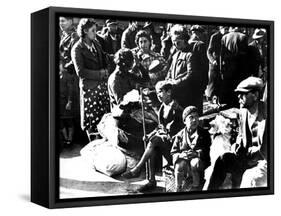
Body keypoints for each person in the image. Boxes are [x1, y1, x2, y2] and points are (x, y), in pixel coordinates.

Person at [206, 77, 267, 190]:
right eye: (238, 94)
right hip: (246, 159)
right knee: (223, 159)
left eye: (243, 94)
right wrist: (237, 144)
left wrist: (257, 151)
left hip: (264, 162)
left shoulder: (269, 113)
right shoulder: (243, 113)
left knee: (250, 178)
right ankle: (207, 194)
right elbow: (241, 135)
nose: (239, 97)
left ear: (255, 95)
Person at [122, 81, 184, 192]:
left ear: (169, 92)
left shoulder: (176, 108)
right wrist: (150, 134)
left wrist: (162, 135)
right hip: (165, 141)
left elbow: (180, 130)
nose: (158, 95)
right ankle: (151, 181)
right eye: (157, 92)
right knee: (152, 144)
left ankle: (137, 169)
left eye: (161, 92)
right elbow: (160, 127)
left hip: (176, 145)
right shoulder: (162, 108)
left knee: (154, 141)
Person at [71, 18, 110, 141]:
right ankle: (93, 147)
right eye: (93, 30)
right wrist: (100, 74)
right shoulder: (77, 49)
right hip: (90, 91)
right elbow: (81, 72)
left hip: (101, 90)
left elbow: (104, 58)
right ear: (85, 31)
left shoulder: (96, 44)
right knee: (91, 123)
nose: (96, 33)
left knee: (103, 120)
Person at [165, 24, 205, 115]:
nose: (175, 44)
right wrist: (167, 81)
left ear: (184, 40)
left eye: (178, 42)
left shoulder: (190, 55)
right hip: (177, 94)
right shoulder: (175, 55)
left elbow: (191, 75)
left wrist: (175, 82)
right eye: (173, 42)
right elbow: (170, 71)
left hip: (188, 94)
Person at [171, 106, 211, 191]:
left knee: (195, 162)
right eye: (191, 117)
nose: (194, 120)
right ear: (185, 121)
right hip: (185, 164)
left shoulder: (204, 134)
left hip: (198, 164)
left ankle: (196, 186)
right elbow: (173, 152)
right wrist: (181, 155)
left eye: (196, 117)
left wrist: (197, 154)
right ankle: (178, 187)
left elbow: (208, 150)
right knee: (179, 164)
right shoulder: (179, 135)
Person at [59, 17, 79, 146]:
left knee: (71, 108)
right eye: (60, 21)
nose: (61, 24)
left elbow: (74, 58)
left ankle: (74, 138)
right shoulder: (63, 36)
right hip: (63, 74)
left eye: (64, 21)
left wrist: (64, 67)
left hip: (71, 76)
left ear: (71, 22)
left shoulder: (74, 37)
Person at [220, 26, 250, 107]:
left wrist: (221, 69)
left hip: (228, 67)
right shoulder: (243, 37)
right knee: (238, 88)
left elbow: (221, 55)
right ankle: (237, 105)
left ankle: (229, 106)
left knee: (229, 88)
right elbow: (245, 55)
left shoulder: (224, 37)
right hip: (239, 68)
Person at [205, 26, 229, 103]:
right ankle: (209, 99)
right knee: (212, 83)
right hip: (214, 64)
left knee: (220, 82)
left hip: (222, 64)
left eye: (227, 29)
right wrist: (213, 61)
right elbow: (209, 51)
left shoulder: (226, 37)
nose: (226, 31)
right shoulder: (214, 37)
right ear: (220, 29)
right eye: (225, 29)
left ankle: (218, 100)